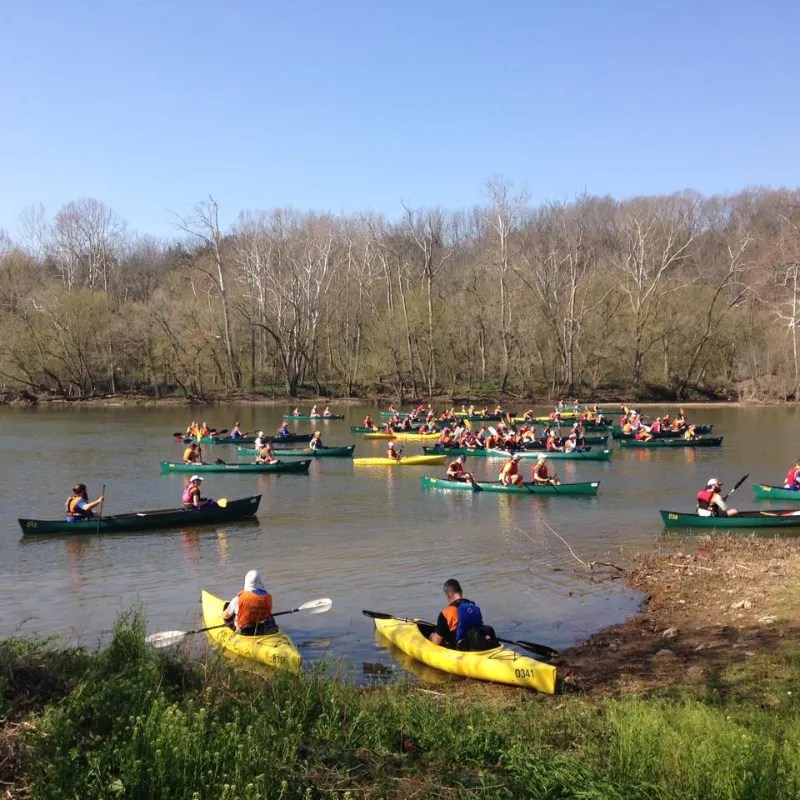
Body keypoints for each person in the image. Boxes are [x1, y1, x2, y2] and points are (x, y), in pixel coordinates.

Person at [430, 579, 495, 651]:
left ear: (448, 596)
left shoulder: (446, 612)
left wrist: (432, 637)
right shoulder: (474, 607)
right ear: (461, 592)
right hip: (479, 644)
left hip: (461, 649)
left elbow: (436, 642)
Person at [222, 569, 278, 636]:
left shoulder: (237, 599)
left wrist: (223, 615)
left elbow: (226, 616)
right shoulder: (268, 597)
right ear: (259, 582)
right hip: (263, 630)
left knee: (229, 617)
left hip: (245, 633)